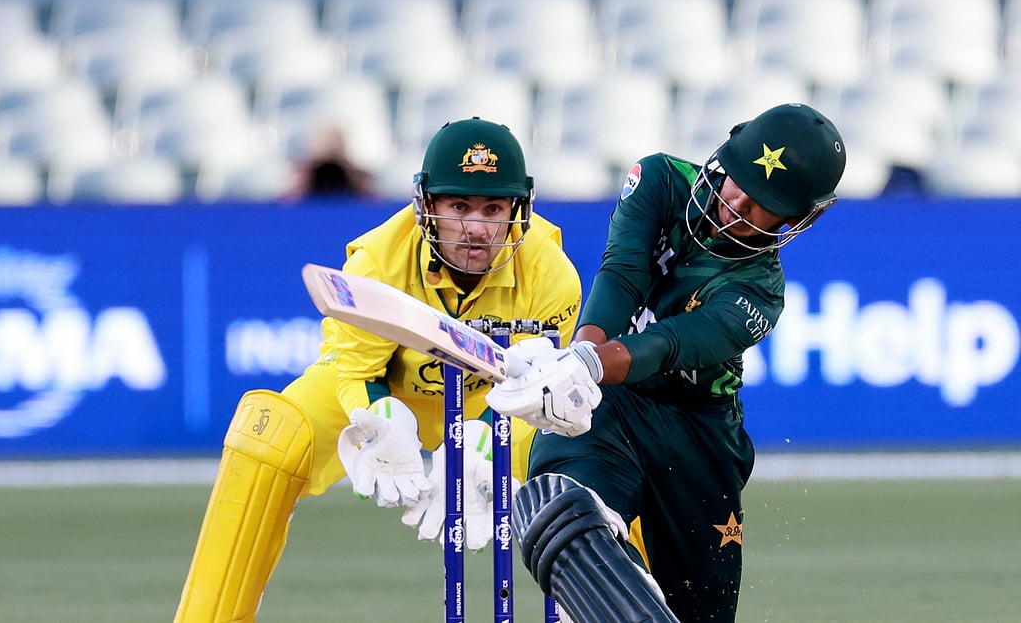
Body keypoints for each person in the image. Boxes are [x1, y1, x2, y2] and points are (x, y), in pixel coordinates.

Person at [175, 117, 582, 622]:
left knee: (611, 437)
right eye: (459, 207)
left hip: (495, 403)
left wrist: (484, 444)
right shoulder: (376, 261)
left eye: (493, 209)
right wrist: (381, 417)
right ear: (426, 205)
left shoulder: (551, 274)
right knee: (269, 434)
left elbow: (537, 391)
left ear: (518, 210)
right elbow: (354, 368)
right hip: (392, 389)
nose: (477, 228)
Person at [487, 103, 847, 623]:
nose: (738, 202)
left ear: (794, 218)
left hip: (697, 433)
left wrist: (589, 363)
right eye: (739, 180)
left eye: (763, 203)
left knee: (701, 610)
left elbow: (669, 343)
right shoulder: (659, 179)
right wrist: (582, 355)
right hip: (611, 401)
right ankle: (599, 568)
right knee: (564, 512)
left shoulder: (760, 292)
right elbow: (622, 272)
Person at [282, 122, 377, 200]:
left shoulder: (358, 178)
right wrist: (304, 184)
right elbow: (284, 207)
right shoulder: (303, 178)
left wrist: (358, 183)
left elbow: (377, 207)